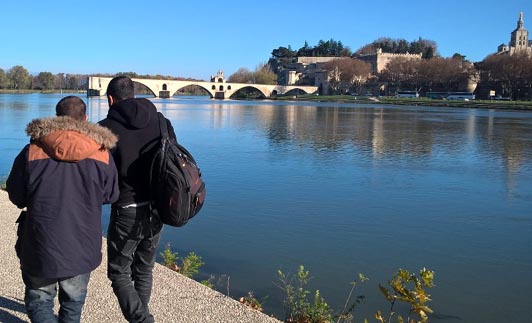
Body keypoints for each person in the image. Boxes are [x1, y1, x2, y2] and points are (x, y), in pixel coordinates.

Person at [5, 96, 119, 323]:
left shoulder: (32, 151)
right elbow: (111, 195)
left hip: (40, 242)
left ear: (57, 119)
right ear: (85, 119)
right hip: (82, 243)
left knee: (39, 301)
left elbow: (16, 195)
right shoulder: (102, 153)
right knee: (73, 304)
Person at [99, 76, 176, 323]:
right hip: (158, 207)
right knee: (144, 269)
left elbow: (101, 175)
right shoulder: (161, 121)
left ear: (111, 99)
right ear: (133, 94)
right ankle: (141, 317)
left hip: (127, 208)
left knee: (119, 272)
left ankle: (142, 321)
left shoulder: (104, 129)